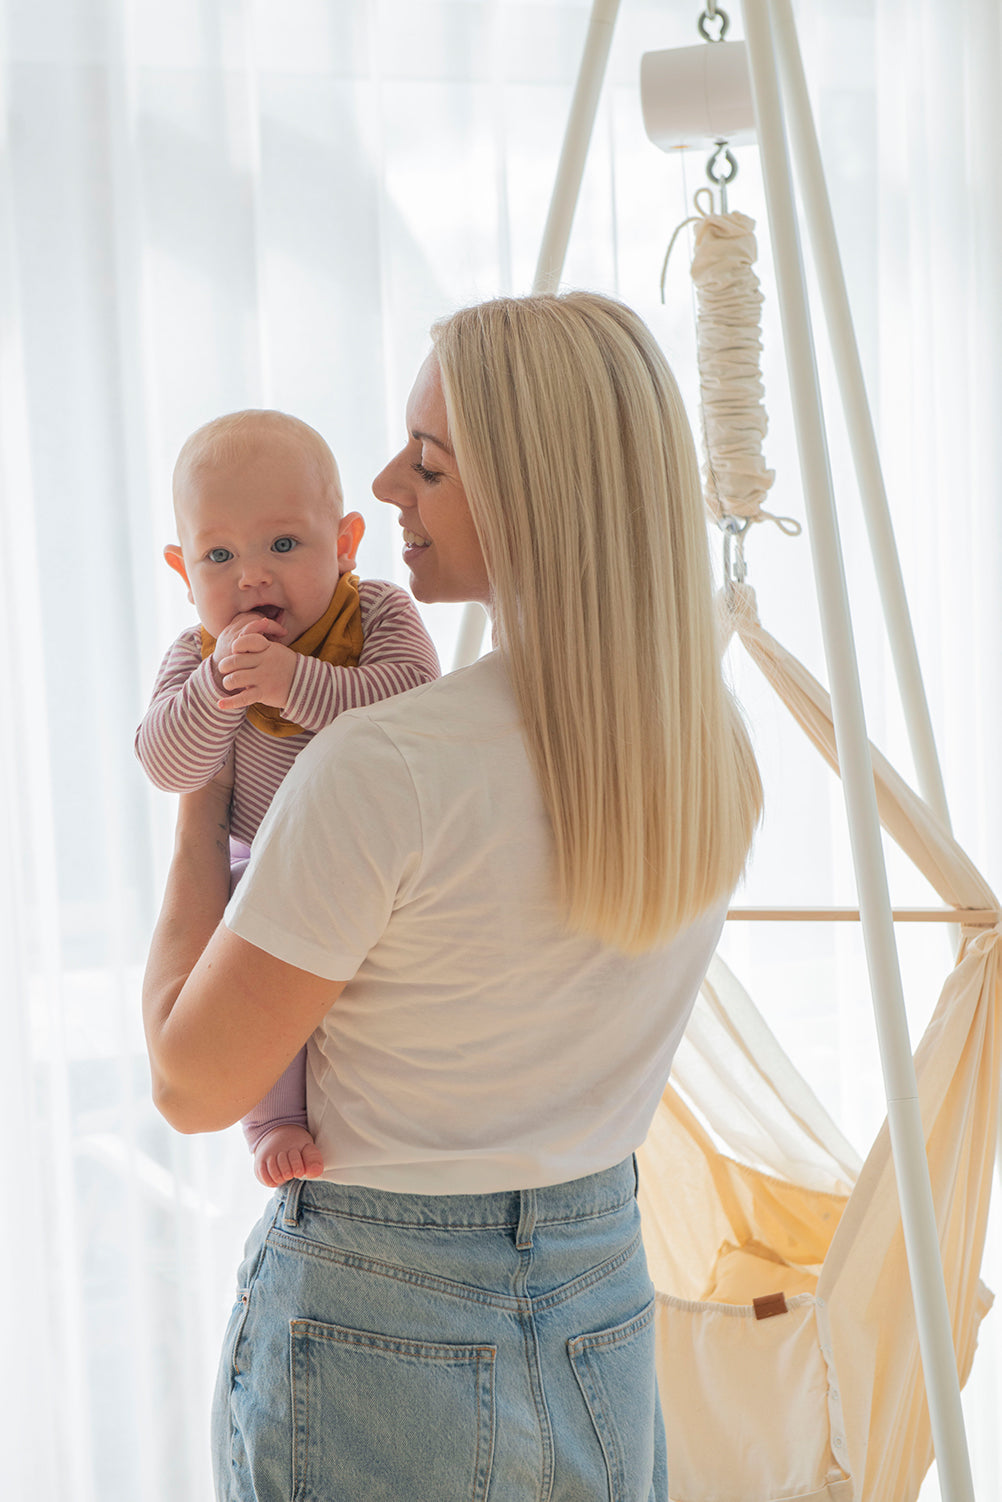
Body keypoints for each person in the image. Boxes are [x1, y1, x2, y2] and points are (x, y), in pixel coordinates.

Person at [142, 292, 762, 1501]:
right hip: (604, 1297)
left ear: (530, 489)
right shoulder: (705, 750)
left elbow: (190, 1080)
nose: (383, 484)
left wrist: (194, 812)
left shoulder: (385, 767)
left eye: (426, 461)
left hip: (380, 1312)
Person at [136, 409, 440, 1187]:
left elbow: (411, 704)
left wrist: (292, 683)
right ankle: (271, 1120)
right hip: (258, 869)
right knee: (230, 982)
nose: (251, 576)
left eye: (283, 545)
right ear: (182, 571)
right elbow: (168, 764)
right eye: (219, 555)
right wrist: (218, 692)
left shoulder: (375, 614)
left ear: (343, 545)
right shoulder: (196, 657)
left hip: (376, 869)